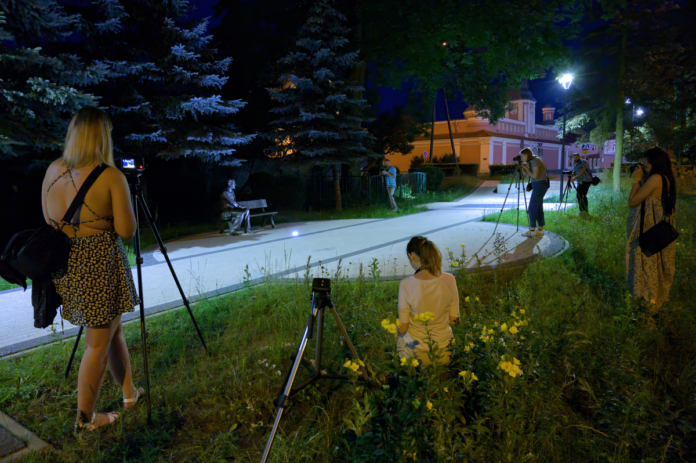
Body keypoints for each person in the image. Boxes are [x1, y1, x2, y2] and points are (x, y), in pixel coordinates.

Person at [41, 107, 142, 432]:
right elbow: (127, 231)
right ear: (101, 137)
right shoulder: (111, 176)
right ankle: (85, 419)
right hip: (99, 266)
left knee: (113, 333)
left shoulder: (53, 170)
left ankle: (129, 394)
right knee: (97, 345)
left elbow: (48, 219)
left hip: (67, 265)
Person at [626, 147, 677, 310]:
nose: (643, 168)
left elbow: (632, 202)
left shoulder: (655, 179)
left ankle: (646, 303)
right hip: (660, 228)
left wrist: (636, 181)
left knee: (646, 263)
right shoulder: (666, 178)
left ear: (655, 164)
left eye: (645, 166)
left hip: (650, 228)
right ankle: (655, 300)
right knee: (656, 264)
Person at [396, 236, 459, 366]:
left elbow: (403, 329)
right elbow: (454, 321)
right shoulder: (449, 279)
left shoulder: (406, 284)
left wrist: (396, 323)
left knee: (400, 335)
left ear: (412, 256)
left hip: (415, 355)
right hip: (444, 352)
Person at [519, 147, 549, 237]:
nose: (521, 158)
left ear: (526, 155)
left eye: (522, 156)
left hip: (540, 184)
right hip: (538, 184)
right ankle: (540, 230)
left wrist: (528, 170)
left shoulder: (535, 161)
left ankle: (532, 230)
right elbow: (528, 175)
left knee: (532, 207)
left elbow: (535, 176)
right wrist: (524, 169)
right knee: (538, 207)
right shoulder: (532, 161)